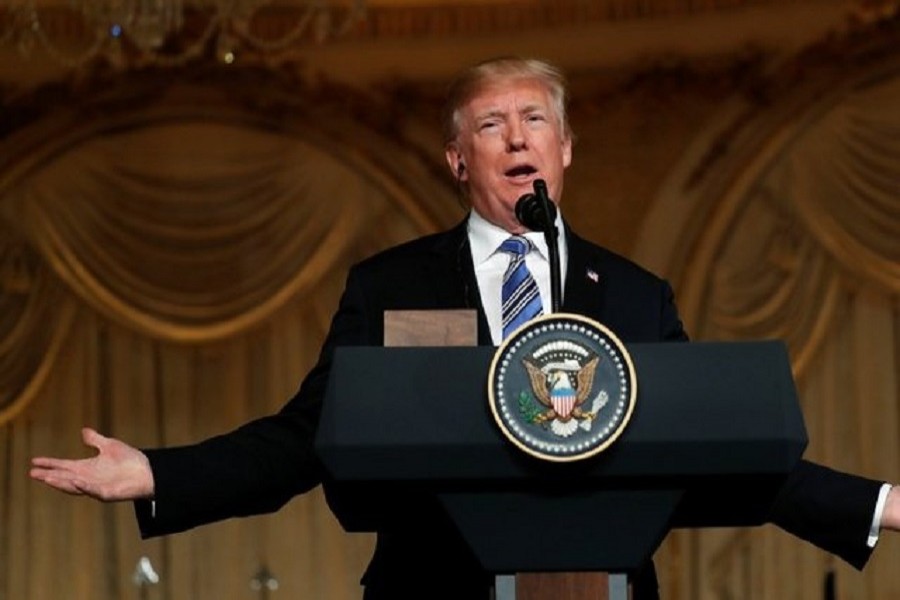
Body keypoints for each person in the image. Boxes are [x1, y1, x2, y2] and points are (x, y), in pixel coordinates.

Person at [30, 57, 899, 600]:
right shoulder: (394, 284)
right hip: (431, 585)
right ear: (457, 159)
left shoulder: (633, 294)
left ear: (564, 150)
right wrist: (157, 475)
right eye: (492, 123)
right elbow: (309, 437)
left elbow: (715, 445)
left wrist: (877, 504)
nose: (517, 138)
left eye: (536, 121)